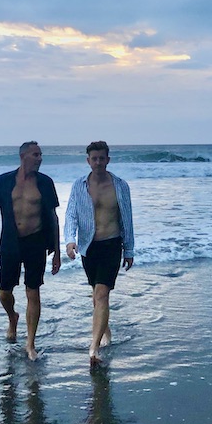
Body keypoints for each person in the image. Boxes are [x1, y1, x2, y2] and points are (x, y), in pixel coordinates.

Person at [0, 141, 61, 361]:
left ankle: (30, 344)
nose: (40, 158)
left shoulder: (45, 183)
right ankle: (13, 317)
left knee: (33, 291)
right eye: (35, 154)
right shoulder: (3, 181)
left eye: (40, 154)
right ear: (23, 157)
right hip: (11, 243)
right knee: (4, 291)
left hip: (36, 242)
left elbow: (53, 217)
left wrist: (57, 251)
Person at [64, 140, 135, 367]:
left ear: (108, 159)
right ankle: (106, 334)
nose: (98, 162)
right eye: (94, 158)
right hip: (88, 247)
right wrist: (70, 241)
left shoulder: (120, 186)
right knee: (97, 297)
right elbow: (71, 215)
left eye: (101, 158)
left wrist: (129, 249)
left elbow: (128, 219)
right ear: (88, 161)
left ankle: (93, 348)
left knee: (102, 295)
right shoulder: (79, 186)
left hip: (112, 244)